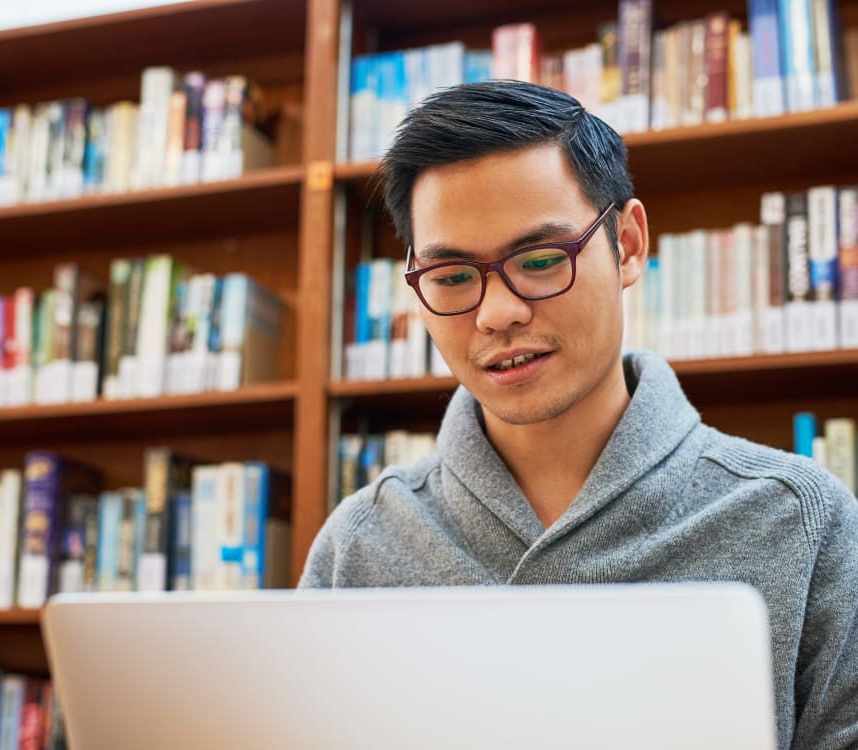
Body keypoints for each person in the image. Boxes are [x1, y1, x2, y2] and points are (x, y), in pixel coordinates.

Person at [298, 80, 858, 748]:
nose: (497, 313)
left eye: (538, 261)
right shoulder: (360, 544)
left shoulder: (800, 521)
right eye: (451, 278)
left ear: (627, 244)